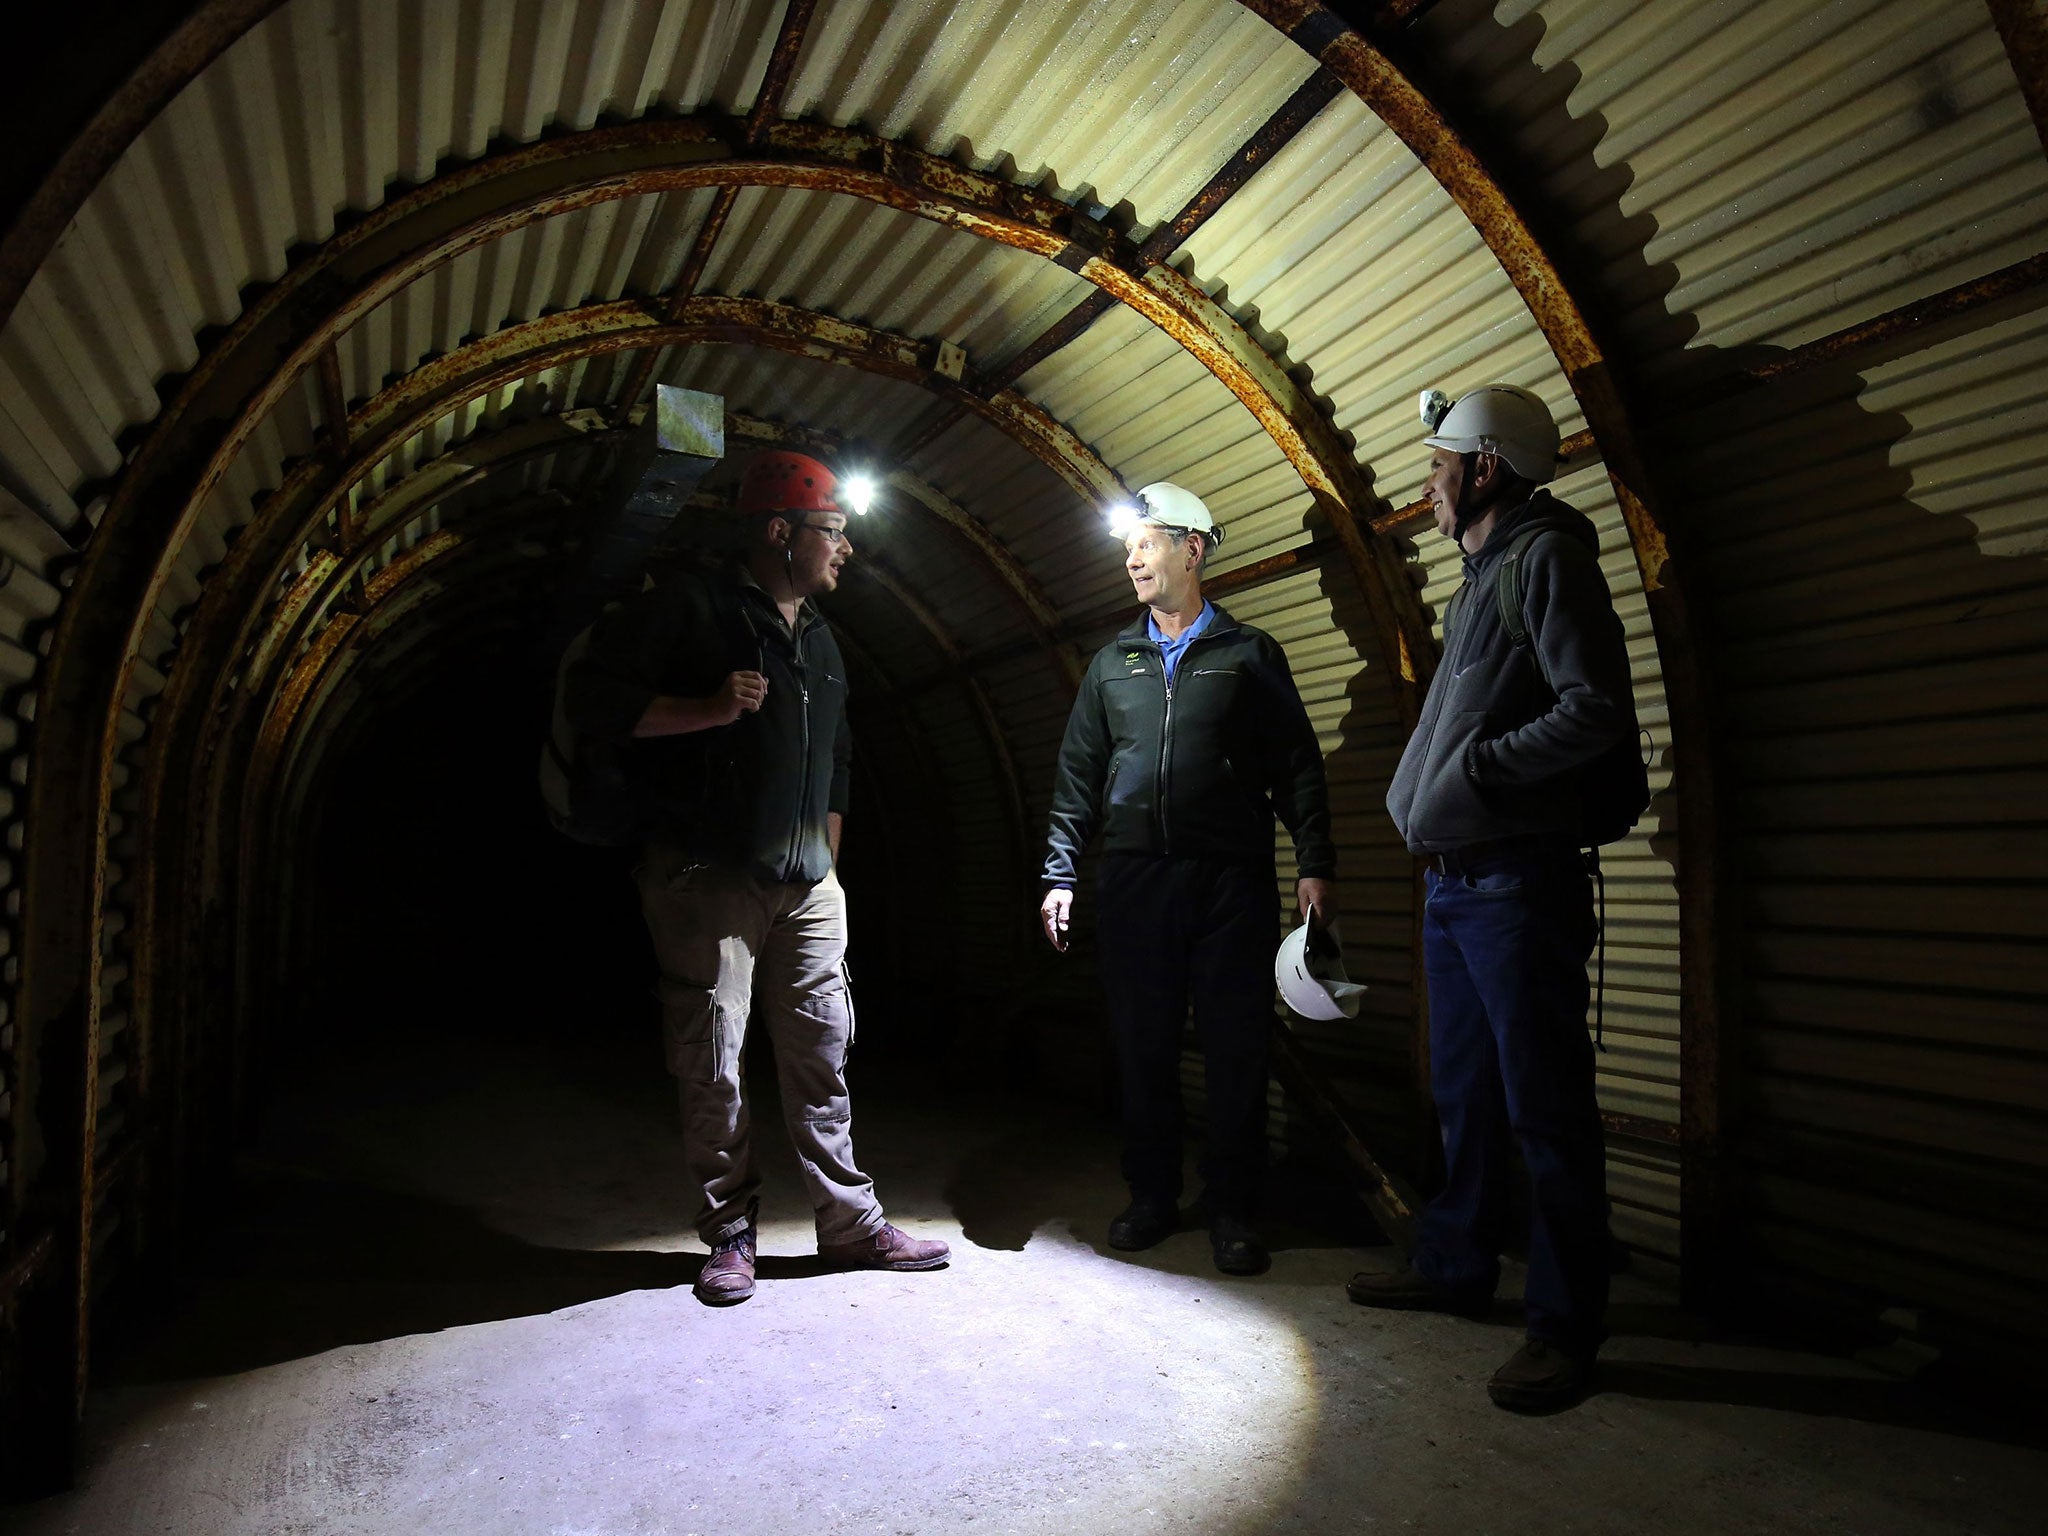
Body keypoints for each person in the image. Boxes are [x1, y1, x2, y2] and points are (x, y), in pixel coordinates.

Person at [567, 449, 948, 1307]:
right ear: (781, 532)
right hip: (707, 881)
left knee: (823, 1053)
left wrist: (829, 866)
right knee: (714, 1060)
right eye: (833, 534)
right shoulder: (689, 610)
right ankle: (730, 1236)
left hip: (808, 886)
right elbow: (594, 707)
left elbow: (840, 760)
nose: (846, 550)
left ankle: (850, 1224)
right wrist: (707, 708)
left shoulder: (821, 640)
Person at [1350, 385, 1634, 1411]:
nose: (1424, 485)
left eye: (1437, 466)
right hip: (1457, 887)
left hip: (1518, 883)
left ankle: (1563, 1328)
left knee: (1544, 1110)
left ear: (1482, 469)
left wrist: (1479, 773)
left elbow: (1591, 708)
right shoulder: (1483, 573)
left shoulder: (1546, 558)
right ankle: (1452, 1262)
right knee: (1465, 1096)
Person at [1039, 482, 1336, 1277]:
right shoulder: (1113, 663)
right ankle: (1151, 1196)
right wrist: (1060, 872)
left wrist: (1315, 861)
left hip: (1230, 880)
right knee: (1143, 1046)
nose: (1131, 556)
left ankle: (1235, 1209)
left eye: (1146, 541)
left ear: (1192, 549)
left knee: (1238, 1048)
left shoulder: (1248, 654)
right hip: (1136, 879)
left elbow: (1296, 765)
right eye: (1128, 545)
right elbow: (1078, 776)